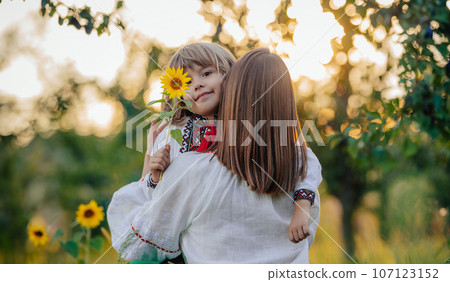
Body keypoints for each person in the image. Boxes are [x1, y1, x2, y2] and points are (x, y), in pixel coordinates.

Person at [107, 48, 322, 263]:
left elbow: (143, 238)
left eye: (207, 73)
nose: (197, 84)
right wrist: (154, 173)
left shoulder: (197, 168)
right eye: (186, 82)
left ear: (231, 78)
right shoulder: (180, 138)